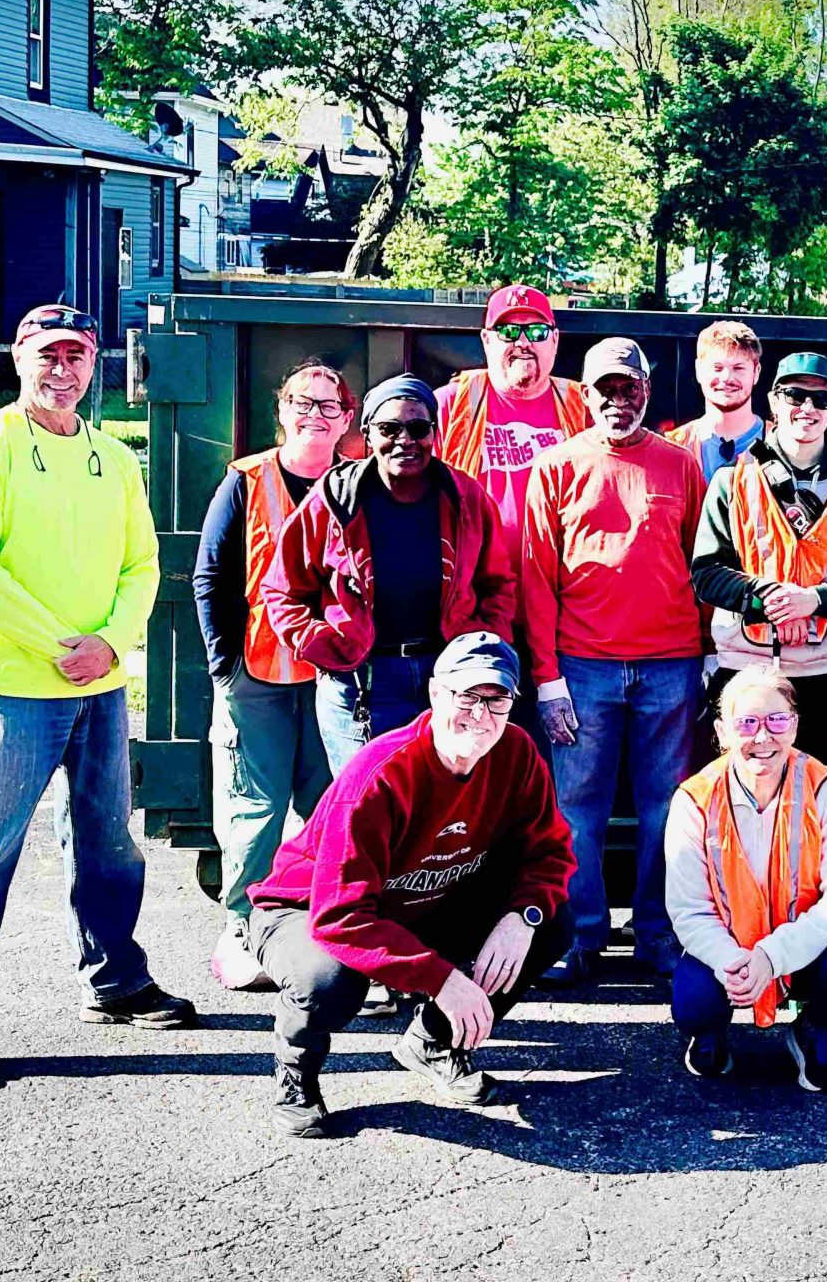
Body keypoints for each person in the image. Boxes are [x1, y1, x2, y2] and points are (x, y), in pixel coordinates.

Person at [0, 305, 194, 1092]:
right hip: (8, 689)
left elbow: (142, 566)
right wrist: (61, 646)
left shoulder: (113, 458)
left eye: (77, 354)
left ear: (94, 363)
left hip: (101, 688)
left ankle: (115, 980)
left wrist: (110, 643)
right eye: (47, 354)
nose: (62, 369)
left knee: (107, 846)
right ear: (19, 359)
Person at [248, 633, 575, 1138]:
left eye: (497, 699)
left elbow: (549, 851)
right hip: (306, 909)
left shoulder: (516, 753)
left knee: (552, 923)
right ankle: (296, 1078)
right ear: (436, 694)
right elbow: (340, 918)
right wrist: (443, 979)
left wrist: (523, 915)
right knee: (330, 980)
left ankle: (434, 1042)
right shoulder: (379, 775)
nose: (481, 715)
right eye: (467, 696)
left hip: (418, 901)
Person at [519, 337, 708, 986]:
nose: (616, 400)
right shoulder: (555, 466)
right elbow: (535, 578)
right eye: (604, 389)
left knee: (668, 808)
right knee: (576, 809)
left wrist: (707, 659)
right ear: (585, 394)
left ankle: (658, 938)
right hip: (583, 667)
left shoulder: (681, 467)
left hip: (671, 666)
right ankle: (580, 938)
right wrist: (546, 679)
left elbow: (702, 564)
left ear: (647, 393)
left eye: (629, 388)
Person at [191, 358, 355, 994]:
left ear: (346, 419)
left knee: (330, 809)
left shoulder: (358, 482)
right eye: (302, 403)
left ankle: (324, 926)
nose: (315, 416)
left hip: (336, 679)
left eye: (329, 406)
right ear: (281, 410)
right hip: (257, 675)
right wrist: (223, 667)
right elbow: (211, 576)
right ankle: (241, 927)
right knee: (252, 812)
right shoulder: (246, 481)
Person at [264, 375, 515, 776]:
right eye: (388, 428)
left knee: (438, 801)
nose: (405, 440)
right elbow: (281, 591)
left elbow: (498, 584)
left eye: (418, 428)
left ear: (435, 432)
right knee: (366, 804)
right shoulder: (334, 500)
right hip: (361, 681)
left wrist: (480, 645)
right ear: (366, 433)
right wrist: (325, 645)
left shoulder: (466, 498)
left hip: (448, 675)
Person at [690, 351, 827, 786]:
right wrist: (772, 601)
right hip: (747, 668)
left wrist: (815, 601)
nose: (807, 408)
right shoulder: (732, 480)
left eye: (821, 400)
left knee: (824, 792)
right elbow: (707, 573)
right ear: (772, 402)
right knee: (747, 788)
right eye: (795, 395)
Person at [663, 667, 827, 1091]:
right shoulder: (694, 799)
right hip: (730, 950)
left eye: (777, 720)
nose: (763, 738)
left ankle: (810, 1029)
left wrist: (772, 957)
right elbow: (688, 909)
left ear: (794, 725)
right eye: (747, 723)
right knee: (693, 1002)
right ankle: (710, 1037)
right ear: (723, 731)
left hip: (804, 946)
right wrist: (734, 962)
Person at [436, 283, 592, 734]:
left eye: (536, 330)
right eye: (508, 331)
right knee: (474, 744)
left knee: (557, 754)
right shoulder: (449, 406)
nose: (523, 342)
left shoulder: (585, 405)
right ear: (486, 341)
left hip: (565, 615)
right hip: (476, 612)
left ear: (556, 340)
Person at [668, 320, 770, 483]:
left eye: (738, 368)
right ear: (699, 370)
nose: (727, 377)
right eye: (717, 368)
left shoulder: (783, 443)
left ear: (756, 372)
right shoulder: (672, 447)